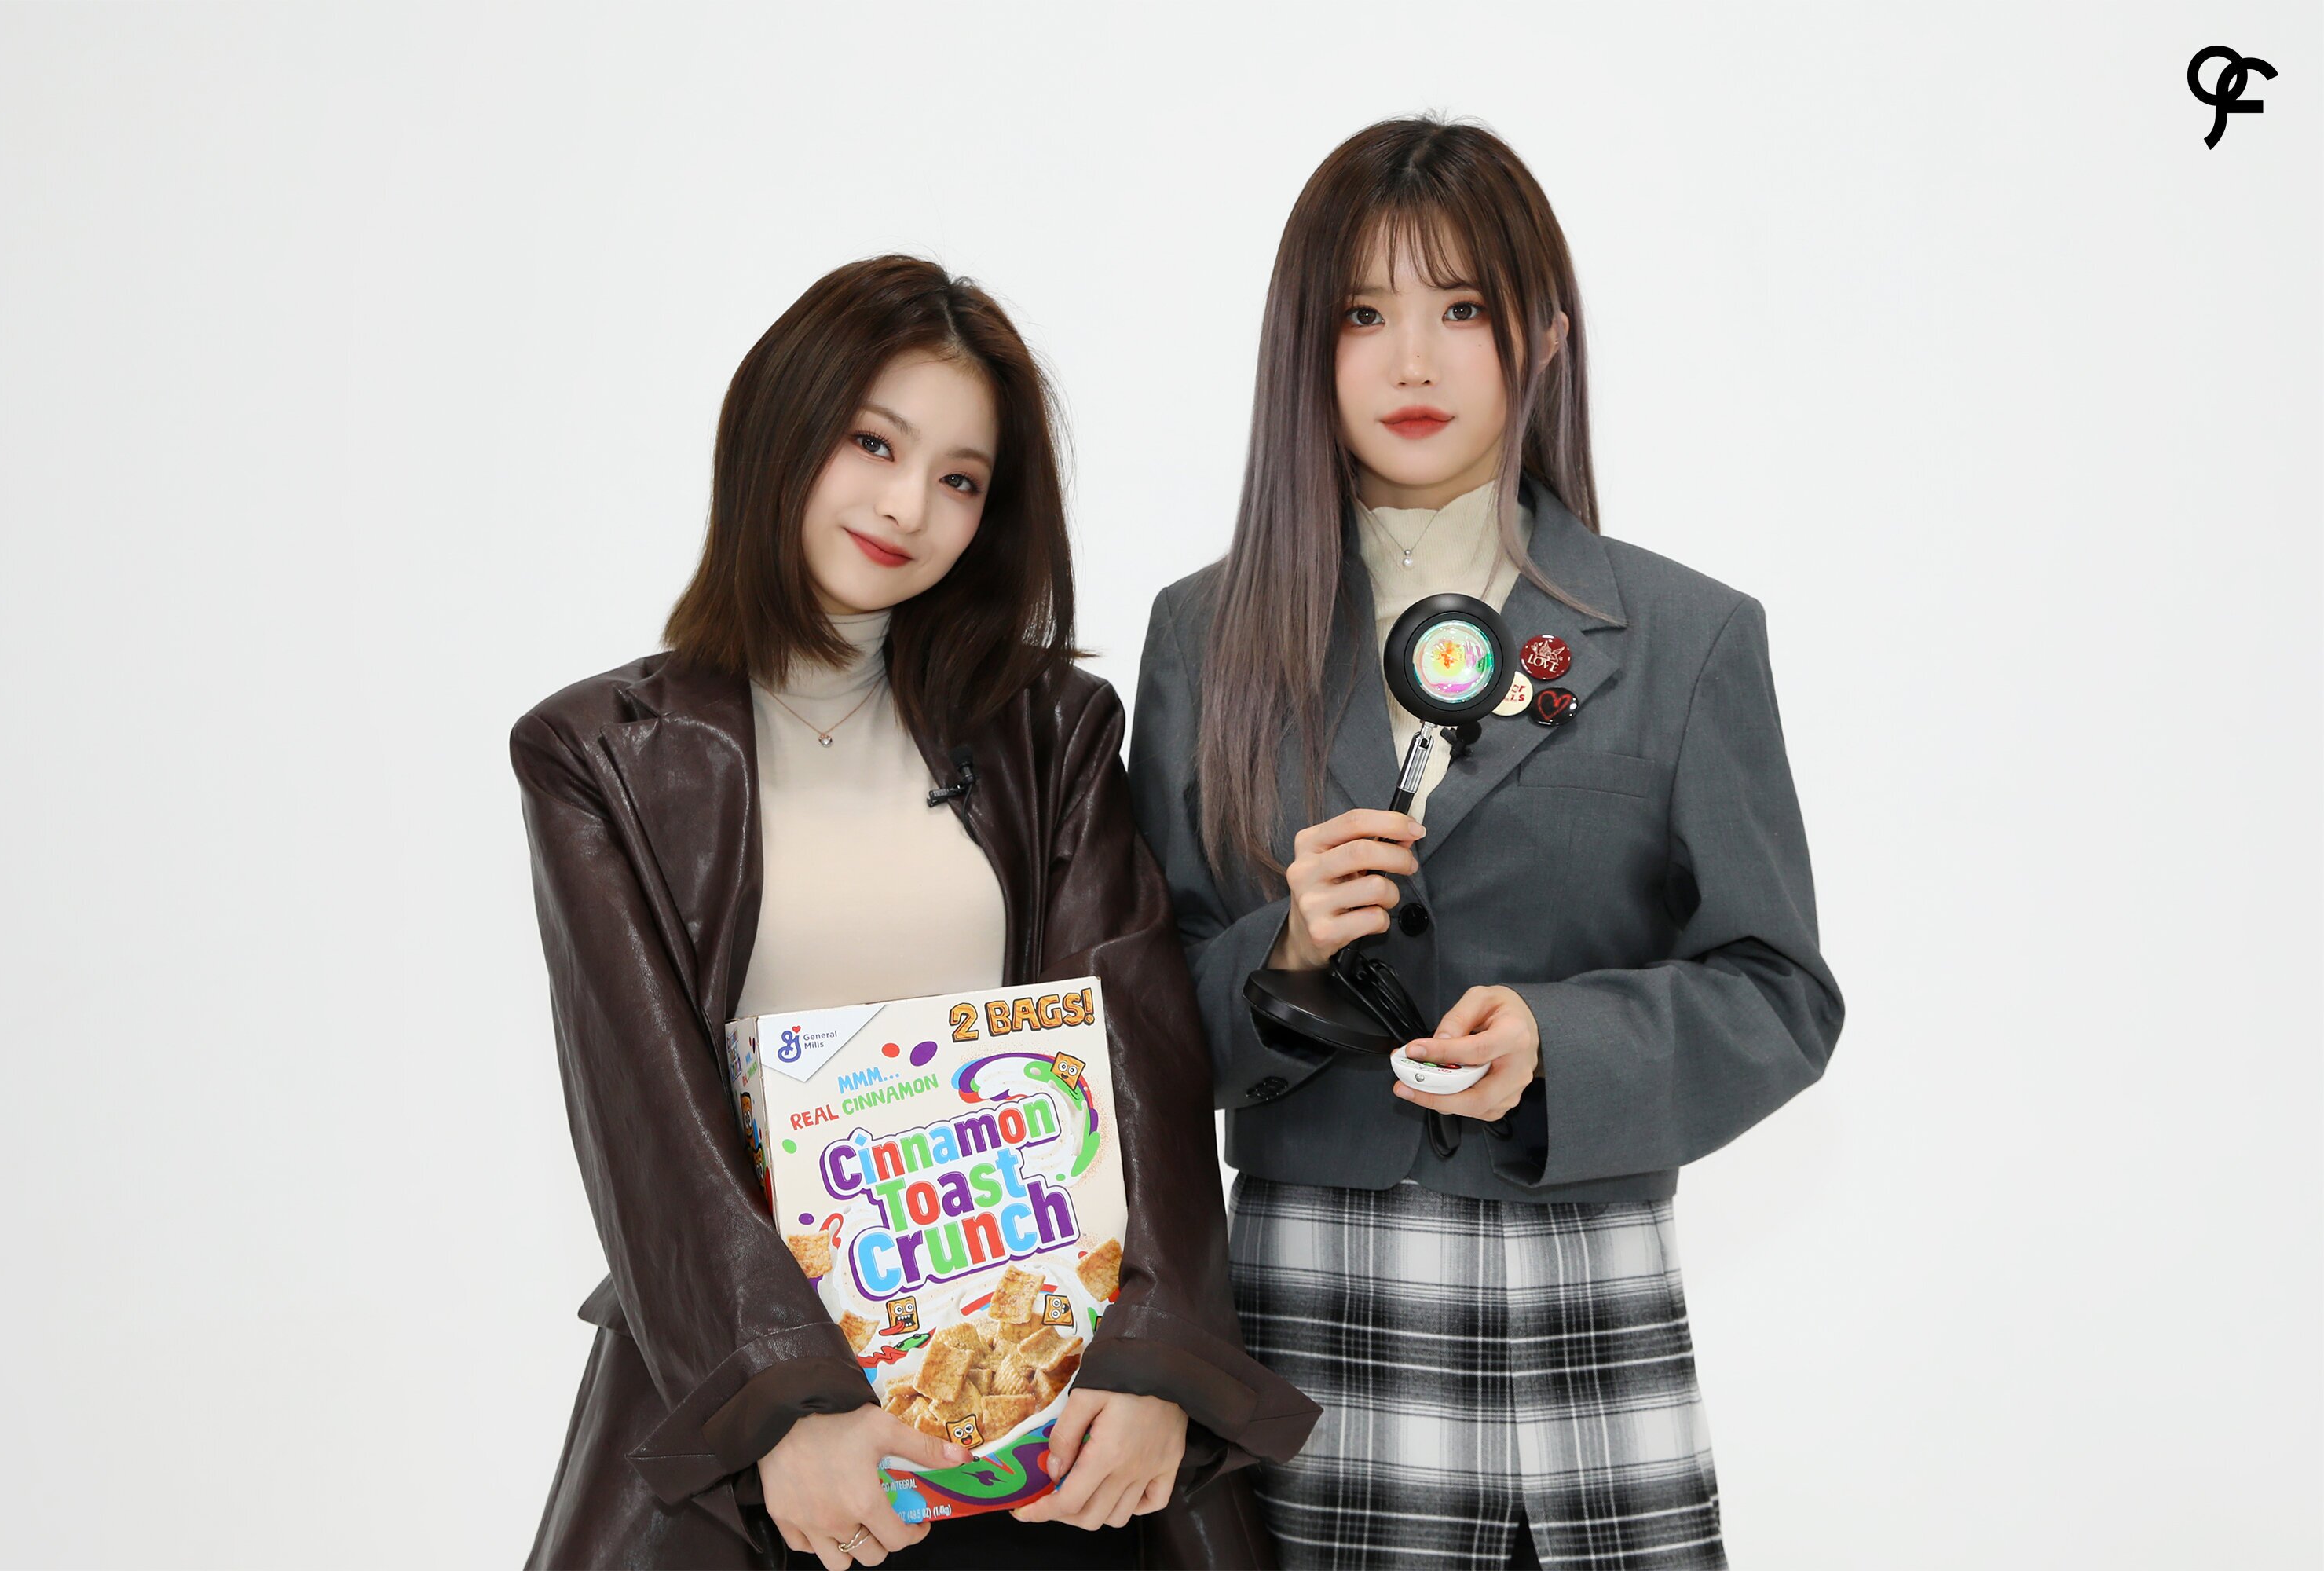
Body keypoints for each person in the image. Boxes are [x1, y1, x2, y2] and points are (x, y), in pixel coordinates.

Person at [514, 255, 1315, 1570]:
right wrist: (789, 1412)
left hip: (1042, 1428)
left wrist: (1153, 1360)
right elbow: (644, 1115)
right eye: (874, 444)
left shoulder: (1049, 728)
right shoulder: (599, 753)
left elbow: (1139, 1055)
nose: (908, 506)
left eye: (960, 479)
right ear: (779, 431)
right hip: (769, 1439)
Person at [1129, 118, 1843, 1570]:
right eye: (1363, 314)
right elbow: (1137, 1019)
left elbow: (1780, 992)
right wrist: (1287, 952)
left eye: (1462, 309)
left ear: (1545, 338)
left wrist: (1557, 1047)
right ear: (1302, 349)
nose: (1413, 362)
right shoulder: (1206, 634)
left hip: (1582, 1309)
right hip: (1303, 1316)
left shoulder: (1687, 636)